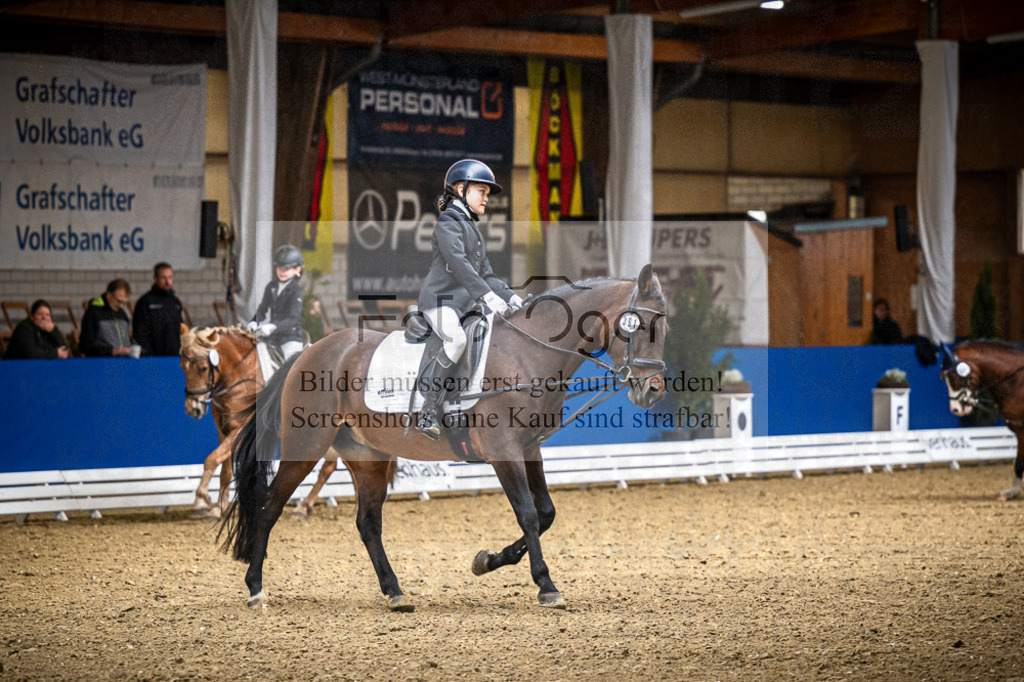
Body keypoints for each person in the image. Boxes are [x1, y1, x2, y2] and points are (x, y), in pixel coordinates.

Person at [415, 159, 523, 439]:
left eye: (487, 194)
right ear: (461, 189)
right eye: (482, 192)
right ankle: (428, 410)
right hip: (440, 301)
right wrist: (487, 297)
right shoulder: (448, 221)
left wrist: (512, 298)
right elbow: (459, 264)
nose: (486, 199)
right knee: (457, 339)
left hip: (464, 304)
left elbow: (486, 273)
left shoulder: (471, 228)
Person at [247, 245, 304, 360]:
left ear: (297, 270)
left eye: (286, 269)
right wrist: (255, 321)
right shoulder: (271, 287)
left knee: (289, 366)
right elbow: (263, 309)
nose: (282, 272)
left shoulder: (296, 291)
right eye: (279, 268)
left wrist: (273, 326)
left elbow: (292, 319)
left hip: (289, 337)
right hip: (272, 336)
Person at [132, 262, 184, 356]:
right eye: (163, 278)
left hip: (175, 358)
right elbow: (139, 334)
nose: (168, 282)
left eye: (170, 277)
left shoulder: (176, 303)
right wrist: (149, 356)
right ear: (155, 279)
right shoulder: (146, 302)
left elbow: (181, 330)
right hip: (153, 360)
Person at [80, 279, 133, 357]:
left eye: (123, 302)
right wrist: (111, 350)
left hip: (123, 363)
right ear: (108, 295)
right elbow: (85, 345)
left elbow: (125, 341)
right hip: (102, 364)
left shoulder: (122, 313)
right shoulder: (93, 313)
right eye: (118, 301)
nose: (121, 306)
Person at [2, 299, 69, 359]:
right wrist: (55, 353)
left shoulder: (49, 330)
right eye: (40, 314)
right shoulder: (23, 329)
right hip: (15, 367)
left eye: (47, 315)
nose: (44, 318)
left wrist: (54, 331)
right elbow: (31, 354)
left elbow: (64, 350)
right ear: (31, 317)